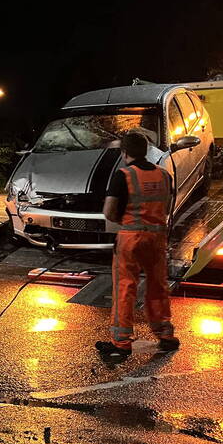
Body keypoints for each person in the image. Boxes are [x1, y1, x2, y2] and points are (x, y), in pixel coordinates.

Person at [96, 130, 180, 361]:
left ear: (124, 153)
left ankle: (121, 342)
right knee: (158, 286)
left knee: (125, 288)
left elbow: (109, 212)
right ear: (145, 151)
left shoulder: (123, 176)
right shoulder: (164, 176)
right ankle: (165, 335)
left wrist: (126, 220)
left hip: (131, 239)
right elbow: (166, 205)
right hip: (156, 238)